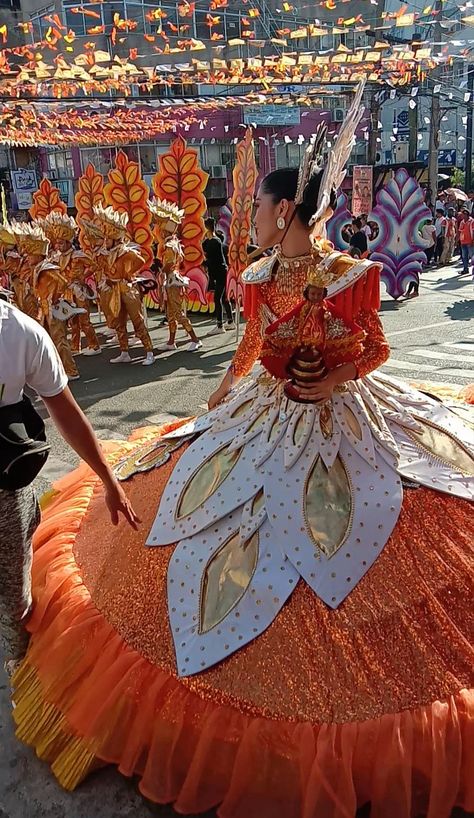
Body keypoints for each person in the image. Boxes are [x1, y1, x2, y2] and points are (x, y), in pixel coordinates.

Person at [9, 105, 474, 818]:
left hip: (345, 414)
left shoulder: (352, 273)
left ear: (285, 208)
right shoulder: (257, 276)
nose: (247, 215)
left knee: (383, 520)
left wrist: (336, 378)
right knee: (207, 506)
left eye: (256, 205)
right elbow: (249, 348)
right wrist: (213, 409)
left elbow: (377, 349)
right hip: (266, 411)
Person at [0, 295, 139, 677]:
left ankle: (17, 658)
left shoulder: (20, 333)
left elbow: (65, 410)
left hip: (5, 494)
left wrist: (108, 479)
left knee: (15, 601)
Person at [91, 204, 154, 366]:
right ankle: (124, 352)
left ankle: (149, 352)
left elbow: (141, 261)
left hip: (127, 289)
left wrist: (128, 273)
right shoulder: (108, 253)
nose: (105, 241)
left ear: (115, 237)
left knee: (137, 320)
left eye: (108, 238)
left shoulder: (125, 251)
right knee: (119, 322)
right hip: (113, 289)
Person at [41, 212, 101, 357]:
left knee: (84, 320)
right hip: (66, 292)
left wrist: (82, 277)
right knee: (71, 320)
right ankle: (75, 346)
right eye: (57, 242)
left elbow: (94, 265)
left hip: (78, 291)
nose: (58, 245)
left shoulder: (78, 255)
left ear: (69, 242)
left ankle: (94, 345)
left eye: (61, 242)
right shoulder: (56, 257)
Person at [149, 198, 202, 353]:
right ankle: (171, 342)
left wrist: (162, 273)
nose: (157, 230)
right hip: (171, 280)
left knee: (177, 313)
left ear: (165, 230)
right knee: (171, 313)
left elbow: (169, 264)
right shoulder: (172, 243)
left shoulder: (170, 245)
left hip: (173, 280)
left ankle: (195, 339)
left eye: (159, 228)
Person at [202, 216, 234, 335]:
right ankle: (230, 321)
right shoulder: (209, 241)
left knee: (218, 298)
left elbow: (211, 260)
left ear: (207, 228)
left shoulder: (215, 241)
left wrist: (203, 263)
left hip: (219, 272)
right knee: (224, 298)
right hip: (218, 271)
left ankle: (220, 325)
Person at [458, 206, 474, 275]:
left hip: (470, 241)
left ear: (467, 215)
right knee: (464, 257)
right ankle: (465, 269)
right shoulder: (462, 222)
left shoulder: (472, 221)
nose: (462, 216)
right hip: (463, 241)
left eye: (464, 214)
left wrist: (473, 240)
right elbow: (460, 231)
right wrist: (458, 240)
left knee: (472, 256)